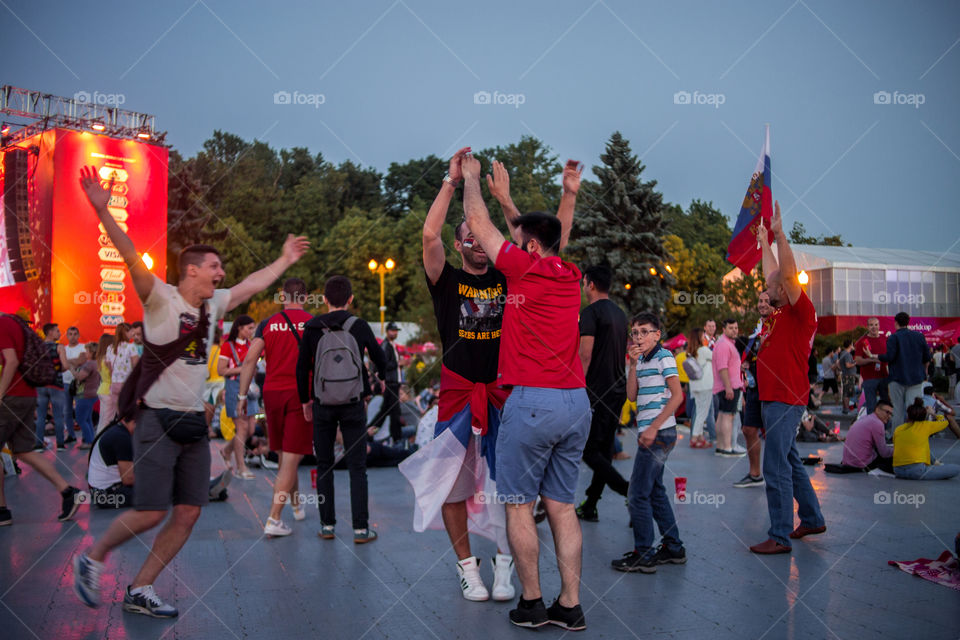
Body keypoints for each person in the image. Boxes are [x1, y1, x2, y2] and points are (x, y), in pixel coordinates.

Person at [73, 164, 308, 617]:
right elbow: (127, 254)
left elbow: (251, 285)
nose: (222, 274)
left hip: (192, 425)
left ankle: (141, 589)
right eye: (215, 267)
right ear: (193, 270)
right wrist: (104, 213)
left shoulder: (216, 303)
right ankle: (93, 557)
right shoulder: (160, 296)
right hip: (157, 420)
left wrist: (285, 261)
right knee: (151, 510)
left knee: (188, 512)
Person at [400, 149, 577, 606]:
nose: (479, 241)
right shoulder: (447, 280)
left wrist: (505, 200)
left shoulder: (511, 277)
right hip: (459, 391)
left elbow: (538, 242)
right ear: (461, 244)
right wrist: (451, 183)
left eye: (482, 236)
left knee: (509, 489)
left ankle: (504, 566)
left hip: (505, 394)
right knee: (452, 486)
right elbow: (428, 233)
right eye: (470, 237)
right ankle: (466, 568)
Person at [461, 151, 589, 631]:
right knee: (561, 506)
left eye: (519, 243)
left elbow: (478, 223)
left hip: (532, 401)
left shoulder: (522, 270)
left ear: (527, 251)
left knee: (518, 506)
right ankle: (570, 605)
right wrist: (565, 196)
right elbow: (553, 236)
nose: (510, 248)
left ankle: (532, 602)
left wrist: (473, 181)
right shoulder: (568, 274)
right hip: (576, 403)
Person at [749, 205, 826, 555]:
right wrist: (764, 241)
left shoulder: (801, 311)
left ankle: (779, 536)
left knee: (775, 467)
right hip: (775, 398)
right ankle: (810, 518)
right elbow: (774, 273)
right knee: (790, 461)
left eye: (774, 286)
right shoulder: (779, 313)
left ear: (786, 287)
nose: (768, 287)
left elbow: (787, 275)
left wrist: (780, 236)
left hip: (785, 399)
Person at [296, 275, 386, 544]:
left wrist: (305, 400)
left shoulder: (311, 327)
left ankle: (327, 525)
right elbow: (380, 358)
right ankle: (360, 529)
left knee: (324, 465)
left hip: (322, 403)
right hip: (353, 403)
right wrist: (376, 381)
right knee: (357, 467)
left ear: (323, 299)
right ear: (350, 298)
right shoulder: (359, 326)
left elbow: (302, 368)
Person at [237, 277, 314, 537]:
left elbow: (249, 361)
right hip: (300, 394)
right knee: (291, 456)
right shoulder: (313, 324)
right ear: (304, 298)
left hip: (272, 394)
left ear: (283, 297)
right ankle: (273, 518)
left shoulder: (267, 324)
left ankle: (295, 504)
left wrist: (241, 396)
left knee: (283, 453)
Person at [612, 313, 686, 574]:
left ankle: (644, 553)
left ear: (658, 334)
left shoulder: (664, 356)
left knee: (637, 493)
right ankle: (674, 547)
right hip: (653, 432)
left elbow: (677, 396)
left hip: (659, 433)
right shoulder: (641, 361)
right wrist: (632, 366)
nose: (639, 337)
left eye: (645, 332)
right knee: (654, 490)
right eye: (635, 332)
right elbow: (632, 396)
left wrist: (653, 427)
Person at [0, 314, 89, 527]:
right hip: (28, 394)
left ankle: (2, 510)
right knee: (23, 450)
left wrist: (1, 393)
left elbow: (11, 361)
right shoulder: (16, 324)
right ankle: (68, 492)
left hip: (12, 396)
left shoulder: (2, 325)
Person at [575, 265, 629, 522]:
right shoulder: (620, 314)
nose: (584, 289)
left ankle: (630, 491)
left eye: (584, 283)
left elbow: (585, 355)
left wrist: (577, 391)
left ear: (591, 284)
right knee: (604, 449)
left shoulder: (590, 313)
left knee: (588, 451)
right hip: (617, 389)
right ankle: (591, 504)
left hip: (596, 391)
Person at [87, 418, 233, 509]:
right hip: (107, 496)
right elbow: (128, 478)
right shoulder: (121, 438)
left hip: (106, 492)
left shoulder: (119, 431)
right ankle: (206, 490)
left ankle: (207, 488)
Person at [865, 312, 931, 432]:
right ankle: (914, 435)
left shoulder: (893, 338)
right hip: (916, 378)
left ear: (895, 323)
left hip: (897, 379)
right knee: (914, 410)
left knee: (897, 410)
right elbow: (927, 357)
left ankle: (897, 436)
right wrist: (924, 370)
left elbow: (889, 357)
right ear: (908, 322)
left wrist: (874, 356)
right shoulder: (919, 336)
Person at [734, 291, 774, 488]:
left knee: (775, 434)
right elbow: (751, 356)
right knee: (748, 429)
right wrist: (746, 364)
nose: (763, 304)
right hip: (754, 388)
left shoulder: (777, 328)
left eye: (767, 301)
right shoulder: (757, 333)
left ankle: (777, 475)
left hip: (774, 389)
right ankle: (755, 474)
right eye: (760, 301)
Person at [218, 315, 260, 479]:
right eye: (249, 328)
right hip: (234, 389)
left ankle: (227, 450)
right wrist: (242, 370)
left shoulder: (252, 345)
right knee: (241, 428)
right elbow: (221, 370)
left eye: (252, 328)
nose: (251, 331)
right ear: (239, 328)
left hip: (250, 390)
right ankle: (241, 467)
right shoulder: (228, 347)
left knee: (250, 429)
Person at [892, 398, 960, 480]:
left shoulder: (898, 429)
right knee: (956, 469)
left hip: (898, 471)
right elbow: (945, 421)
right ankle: (936, 464)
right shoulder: (926, 425)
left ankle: (935, 462)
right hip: (917, 471)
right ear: (924, 416)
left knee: (922, 442)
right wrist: (933, 414)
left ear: (908, 415)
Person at [712, 319, 744, 457]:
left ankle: (721, 446)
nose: (734, 330)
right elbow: (722, 367)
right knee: (728, 416)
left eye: (736, 328)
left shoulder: (726, 344)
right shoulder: (724, 344)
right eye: (731, 328)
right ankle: (727, 447)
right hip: (728, 386)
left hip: (727, 385)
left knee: (722, 414)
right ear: (724, 329)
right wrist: (728, 387)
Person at [35, 323, 69, 449]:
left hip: (41, 385)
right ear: (50, 332)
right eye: (57, 331)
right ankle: (60, 444)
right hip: (56, 384)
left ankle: (38, 444)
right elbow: (65, 366)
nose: (59, 333)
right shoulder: (59, 347)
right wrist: (57, 370)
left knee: (41, 416)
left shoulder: (37, 347)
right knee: (58, 415)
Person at [368, 322, 403, 442]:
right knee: (395, 413)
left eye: (396, 331)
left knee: (385, 412)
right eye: (393, 330)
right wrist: (398, 363)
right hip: (390, 383)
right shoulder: (386, 346)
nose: (395, 333)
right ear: (388, 331)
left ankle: (368, 433)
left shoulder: (391, 345)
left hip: (393, 382)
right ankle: (397, 439)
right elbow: (383, 364)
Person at [840, 402, 895, 473]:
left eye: (891, 414)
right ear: (877, 409)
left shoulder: (865, 418)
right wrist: (898, 450)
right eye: (887, 412)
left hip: (848, 462)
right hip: (862, 464)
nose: (889, 416)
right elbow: (884, 453)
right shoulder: (877, 423)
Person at [105, 323, 139, 427]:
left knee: (118, 414)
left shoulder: (110, 347)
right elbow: (136, 366)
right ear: (125, 332)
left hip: (114, 384)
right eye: (130, 331)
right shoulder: (131, 347)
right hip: (126, 384)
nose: (132, 334)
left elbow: (109, 368)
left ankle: (119, 433)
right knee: (129, 414)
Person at [854, 317, 889, 416]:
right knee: (871, 405)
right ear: (867, 327)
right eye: (871, 325)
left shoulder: (885, 339)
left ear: (879, 326)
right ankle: (872, 427)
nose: (874, 327)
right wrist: (872, 360)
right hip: (869, 378)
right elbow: (858, 360)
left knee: (885, 404)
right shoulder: (862, 341)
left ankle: (884, 426)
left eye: (876, 325)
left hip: (884, 376)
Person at [686, 328, 714, 449]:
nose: (704, 337)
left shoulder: (690, 352)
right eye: (703, 335)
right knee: (703, 413)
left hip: (695, 385)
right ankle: (695, 437)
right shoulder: (703, 350)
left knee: (699, 412)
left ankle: (699, 437)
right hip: (705, 385)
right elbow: (716, 357)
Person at [73, 342, 101, 449]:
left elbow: (80, 377)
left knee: (80, 419)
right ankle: (90, 439)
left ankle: (89, 441)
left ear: (91, 352)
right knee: (88, 418)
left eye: (87, 351)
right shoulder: (97, 363)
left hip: (85, 394)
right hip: (93, 393)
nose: (86, 353)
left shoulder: (89, 364)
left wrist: (72, 370)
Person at [61, 326, 86, 444]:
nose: (72, 336)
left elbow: (81, 361)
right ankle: (71, 435)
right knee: (67, 411)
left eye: (75, 334)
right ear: (66, 336)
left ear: (79, 335)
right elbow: (62, 365)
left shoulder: (83, 348)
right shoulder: (63, 349)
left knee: (81, 410)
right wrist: (73, 361)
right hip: (65, 382)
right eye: (70, 334)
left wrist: (67, 362)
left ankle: (86, 435)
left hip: (79, 383)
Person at [93, 334, 114, 434]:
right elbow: (113, 374)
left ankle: (98, 445)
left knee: (103, 420)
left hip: (103, 388)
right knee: (107, 421)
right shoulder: (107, 358)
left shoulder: (100, 358)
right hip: (109, 389)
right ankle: (102, 445)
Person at [837, 340, 857, 414]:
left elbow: (838, 364)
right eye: (852, 344)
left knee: (846, 392)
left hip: (845, 375)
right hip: (849, 376)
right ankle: (846, 409)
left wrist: (842, 369)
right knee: (847, 393)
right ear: (849, 345)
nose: (853, 346)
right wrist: (855, 363)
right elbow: (848, 365)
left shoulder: (842, 353)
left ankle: (845, 408)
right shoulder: (848, 354)